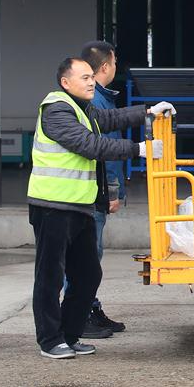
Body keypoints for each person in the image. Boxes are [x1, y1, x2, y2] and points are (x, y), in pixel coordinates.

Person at [28, 57, 174, 359]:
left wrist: (147, 113)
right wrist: (139, 150)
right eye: (84, 77)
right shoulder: (56, 111)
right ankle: (50, 340)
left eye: (92, 76)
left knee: (87, 275)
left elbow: (109, 121)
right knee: (50, 276)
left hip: (79, 206)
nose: (91, 81)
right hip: (53, 206)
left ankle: (69, 335)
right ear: (66, 83)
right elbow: (89, 144)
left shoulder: (84, 109)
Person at [77, 41, 130, 338]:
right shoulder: (95, 100)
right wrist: (112, 190)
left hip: (93, 192)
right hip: (91, 194)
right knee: (86, 256)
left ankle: (90, 308)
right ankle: (81, 314)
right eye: (115, 61)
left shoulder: (100, 98)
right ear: (106, 66)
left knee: (90, 256)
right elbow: (104, 150)